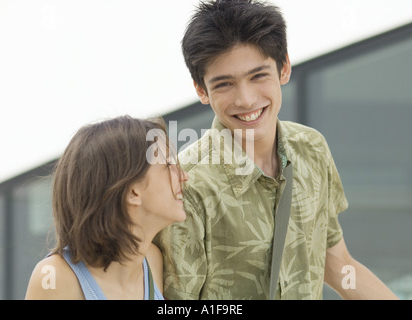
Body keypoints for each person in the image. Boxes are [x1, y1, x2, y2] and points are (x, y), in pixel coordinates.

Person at [154, 0, 398, 300]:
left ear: (284, 68)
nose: (245, 99)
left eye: (258, 76)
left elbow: (338, 265)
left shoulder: (312, 148)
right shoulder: (186, 182)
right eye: (224, 84)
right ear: (201, 90)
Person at [25, 115, 188, 300]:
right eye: (167, 165)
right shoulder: (54, 277)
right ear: (133, 192)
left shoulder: (152, 260)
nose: (184, 176)